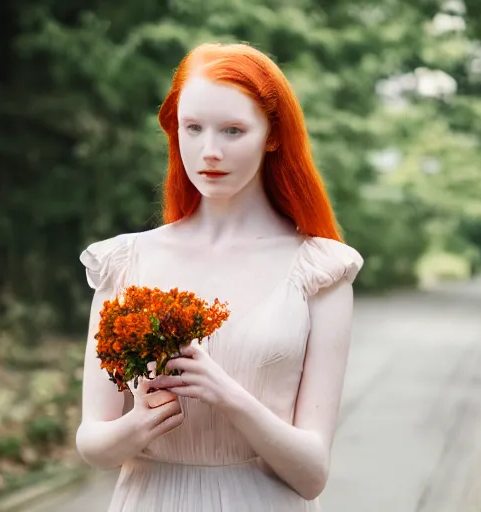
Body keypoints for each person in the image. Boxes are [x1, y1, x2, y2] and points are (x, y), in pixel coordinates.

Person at [76, 42, 364, 512]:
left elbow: (312, 475)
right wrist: (139, 425)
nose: (209, 152)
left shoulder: (320, 269)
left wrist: (227, 395)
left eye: (233, 130)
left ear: (272, 134)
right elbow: (93, 444)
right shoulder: (123, 261)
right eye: (193, 129)